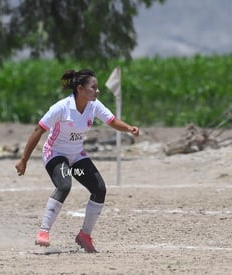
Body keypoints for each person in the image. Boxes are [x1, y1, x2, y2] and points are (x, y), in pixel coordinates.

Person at [15, 69, 139, 253]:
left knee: (99, 189)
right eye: (93, 87)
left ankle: (84, 235)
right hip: (55, 153)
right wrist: (24, 159)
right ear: (80, 89)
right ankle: (43, 231)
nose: (97, 91)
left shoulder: (93, 105)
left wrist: (129, 128)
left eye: (97, 87)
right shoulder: (61, 108)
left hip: (77, 155)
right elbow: (37, 130)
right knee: (64, 185)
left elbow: (111, 121)